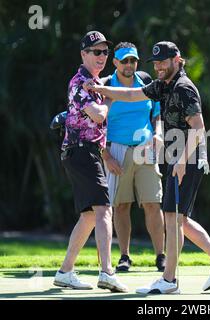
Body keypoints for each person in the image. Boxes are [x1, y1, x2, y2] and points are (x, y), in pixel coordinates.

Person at [83, 41, 210, 294]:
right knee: (180, 220)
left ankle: (169, 280)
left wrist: (180, 161)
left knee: (173, 218)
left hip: (187, 159)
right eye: (155, 64)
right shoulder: (163, 85)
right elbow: (133, 95)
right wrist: (102, 88)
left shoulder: (183, 88)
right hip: (179, 159)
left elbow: (198, 129)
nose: (158, 67)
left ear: (177, 60)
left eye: (163, 62)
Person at [53, 31, 128, 292]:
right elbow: (97, 116)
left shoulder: (93, 82)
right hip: (81, 152)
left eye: (105, 52)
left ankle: (65, 271)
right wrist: (108, 96)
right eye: (96, 52)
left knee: (88, 216)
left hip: (83, 153)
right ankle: (107, 272)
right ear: (84, 54)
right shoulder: (81, 82)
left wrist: (103, 89)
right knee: (104, 209)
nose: (101, 57)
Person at [101, 42, 166, 272]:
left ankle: (161, 256)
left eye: (133, 60)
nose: (130, 65)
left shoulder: (146, 81)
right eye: (125, 60)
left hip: (145, 149)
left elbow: (156, 114)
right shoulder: (106, 85)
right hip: (116, 150)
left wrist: (158, 134)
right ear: (115, 62)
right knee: (121, 206)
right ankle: (124, 256)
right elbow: (95, 125)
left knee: (152, 203)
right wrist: (106, 155)